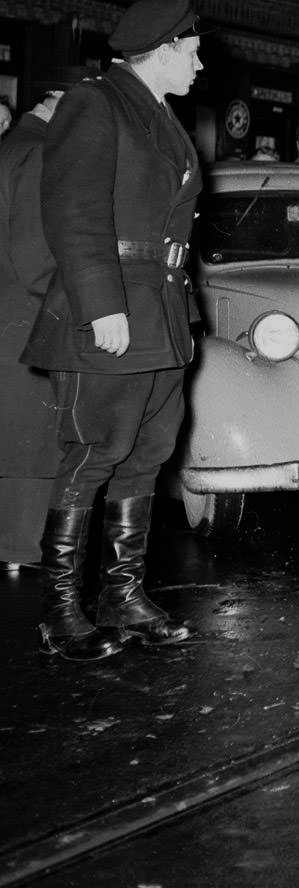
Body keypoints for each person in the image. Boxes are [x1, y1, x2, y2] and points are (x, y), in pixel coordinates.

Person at [21, 0, 203, 660]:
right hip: (113, 313)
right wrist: (103, 306)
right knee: (94, 452)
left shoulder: (155, 111)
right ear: (162, 52)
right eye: (193, 51)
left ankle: (121, 595)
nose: (200, 64)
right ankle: (61, 610)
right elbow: (74, 211)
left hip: (160, 314)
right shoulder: (94, 103)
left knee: (148, 454)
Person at [0, 69, 92, 571]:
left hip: (7, 315)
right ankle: (21, 552)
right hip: (29, 318)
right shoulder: (38, 153)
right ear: (59, 101)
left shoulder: (14, 144)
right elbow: (37, 258)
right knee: (33, 442)